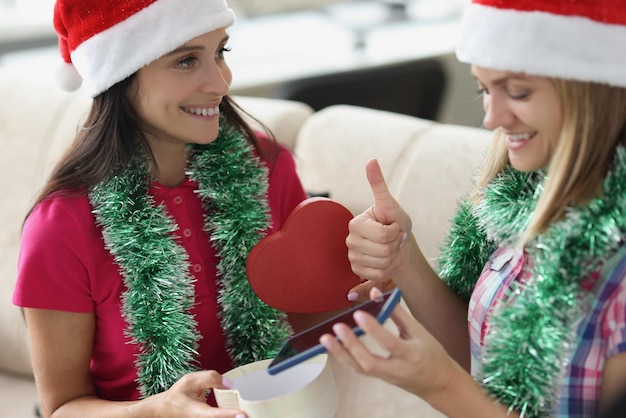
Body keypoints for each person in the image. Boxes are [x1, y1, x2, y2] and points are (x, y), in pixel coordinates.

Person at [322, 1, 626, 417]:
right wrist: (403, 258)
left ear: (594, 87)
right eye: (485, 89)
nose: (490, 118)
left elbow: (460, 383)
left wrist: (443, 386)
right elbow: (478, 361)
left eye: (517, 91)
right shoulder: (524, 195)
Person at [11, 1, 310, 417]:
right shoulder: (62, 225)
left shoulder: (268, 168)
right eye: (186, 61)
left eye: (221, 52)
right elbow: (62, 408)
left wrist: (368, 266)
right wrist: (155, 411)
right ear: (120, 74)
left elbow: (315, 321)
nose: (221, 83)